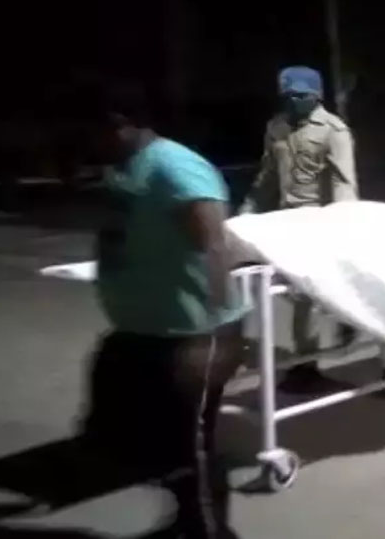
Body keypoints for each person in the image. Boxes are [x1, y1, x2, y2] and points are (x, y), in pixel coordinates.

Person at [83, 84, 245, 539]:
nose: (87, 141)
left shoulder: (175, 167)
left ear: (120, 124)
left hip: (192, 334)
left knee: (192, 446)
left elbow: (214, 246)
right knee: (154, 438)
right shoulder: (124, 166)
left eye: (93, 130)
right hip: (145, 329)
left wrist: (215, 333)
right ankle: (187, 518)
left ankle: (209, 531)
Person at [240, 66, 359, 391]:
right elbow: (268, 176)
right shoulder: (276, 128)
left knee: (310, 294)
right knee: (298, 295)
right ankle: (306, 362)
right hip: (287, 221)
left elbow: (344, 182)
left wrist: (343, 225)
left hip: (319, 223)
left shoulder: (334, 130)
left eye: (301, 96)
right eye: (289, 96)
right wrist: (249, 208)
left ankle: (311, 359)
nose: (294, 101)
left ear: (317, 96)